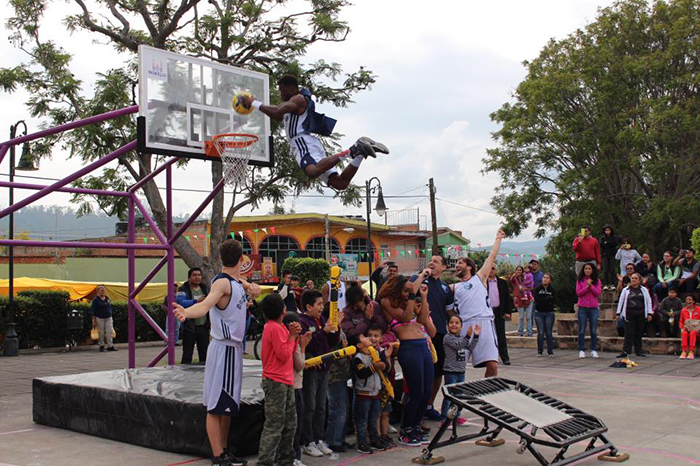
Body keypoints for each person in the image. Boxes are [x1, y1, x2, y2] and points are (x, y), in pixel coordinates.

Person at [172, 239, 262, 466]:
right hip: (224, 348)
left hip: (233, 349)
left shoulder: (234, 282)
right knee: (216, 406)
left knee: (227, 406)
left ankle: (224, 450)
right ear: (242, 259)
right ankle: (218, 456)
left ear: (221, 258)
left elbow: (239, 284)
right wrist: (187, 312)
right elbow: (206, 305)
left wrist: (251, 287)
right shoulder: (222, 284)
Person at [241, 75, 388, 190]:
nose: (280, 93)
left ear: (291, 87)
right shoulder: (290, 104)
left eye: (282, 90)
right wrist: (257, 103)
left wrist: (254, 103)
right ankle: (360, 153)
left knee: (312, 171)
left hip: (302, 142)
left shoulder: (298, 99)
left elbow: (278, 111)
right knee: (340, 183)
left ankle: (353, 150)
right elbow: (277, 112)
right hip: (309, 143)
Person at [379, 272, 435, 447]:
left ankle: (415, 426)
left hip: (422, 347)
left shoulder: (407, 302)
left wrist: (423, 298)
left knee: (426, 392)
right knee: (416, 392)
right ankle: (406, 429)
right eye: (403, 290)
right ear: (396, 288)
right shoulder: (386, 301)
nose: (406, 294)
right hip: (409, 349)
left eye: (407, 291)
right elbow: (404, 317)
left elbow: (422, 319)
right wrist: (411, 295)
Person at [257, 293, 309, 466]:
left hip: (285, 380)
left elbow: (289, 350)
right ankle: (265, 461)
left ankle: (286, 459)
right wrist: (292, 337)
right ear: (283, 310)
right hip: (276, 381)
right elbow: (284, 355)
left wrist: (293, 335)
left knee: (290, 423)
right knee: (275, 423)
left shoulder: (277, 327)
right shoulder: (274, 328)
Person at [452, 229, 506, 378]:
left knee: (493, 364)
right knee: (456, 366)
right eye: (456, 263)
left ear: (469, 267)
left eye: (460, 263)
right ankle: (456, 391)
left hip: (484, 323)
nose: (457, 265)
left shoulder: (480, 278)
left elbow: (492, 256)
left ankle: (488, 390)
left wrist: (498, 238)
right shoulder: (453, 287)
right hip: (464, 326)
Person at [298, 289, 342, 457]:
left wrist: (335, 327)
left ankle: (319, 439)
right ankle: (308, 442)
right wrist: (323, 331)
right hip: (311, 369)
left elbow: (332, 342)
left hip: (325, 368)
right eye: (319, 304)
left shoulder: (322, 319)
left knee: (321, 406)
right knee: (310, 406)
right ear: (309, 306)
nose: (322, 307)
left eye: (322, 303)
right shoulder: (302, 322)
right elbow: (308, 345)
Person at [411, 255, 454, 421]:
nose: (431, 263)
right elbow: (410, 292)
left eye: (436, 261)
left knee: (437, 372)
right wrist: (422, 275)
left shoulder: (445, 288)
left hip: (439, 333)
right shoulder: (419, 279)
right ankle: (417, 408)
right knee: (421, 373)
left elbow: (449, 311)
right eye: (431, 260)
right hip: (420, 333)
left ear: (443, 267)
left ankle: (429, 406)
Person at [350, 332, 391, 454]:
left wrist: (383, 365)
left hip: (376, 393)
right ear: (359, 345)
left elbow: (385, 367)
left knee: (373, 419)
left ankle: (374, 440)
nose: (368, 337)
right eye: (363, 337)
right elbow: (361, 374)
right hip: (364, 394)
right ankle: (362, 442)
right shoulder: (358, 358)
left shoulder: (376, 353)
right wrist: (374, 367)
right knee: (362, 420)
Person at [440, 315, 479, 420]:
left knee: (458, 396)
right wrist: (468, 336)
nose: (454, 325)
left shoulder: (461, 338)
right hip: (450, 371)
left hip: (461, 371)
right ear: (447, 325)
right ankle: (444, 417)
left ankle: (456, 416)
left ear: (461, 326)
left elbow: (470, 347)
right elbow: (458, 346)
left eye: (457, 323)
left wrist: (476, 336)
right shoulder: (447, 337)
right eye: (451, 322)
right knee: (449, 396)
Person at [285, 312, 312, 466]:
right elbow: (300, 365)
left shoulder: (287, 340)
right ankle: (294, 456)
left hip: (293, 386)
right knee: (295, 424)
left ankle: (291, 455)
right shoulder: (293, 343)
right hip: (294, 386)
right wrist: (303, 347)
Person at [324, 328, 352, 453]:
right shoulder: (331, 330)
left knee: (344, 408)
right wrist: (344, 349)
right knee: (338, 408)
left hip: (342, 373)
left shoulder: (339, 329)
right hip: (334, 374)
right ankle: (333, 440)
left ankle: (340, 438)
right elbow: (333, 352)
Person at [616, 273, 653, 359]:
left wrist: (649, 313)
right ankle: (626, 351)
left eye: (636, 278)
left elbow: (648, 301)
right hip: (629, 314)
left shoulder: (644, 290)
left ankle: (638, 350)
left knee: (639, 333)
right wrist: (618, 313)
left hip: (640, 314)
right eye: (632, 278)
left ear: (639, 280)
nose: (634, 280)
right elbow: (621, 301)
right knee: (628, 333)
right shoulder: (626, 290)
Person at [180, 267, 210, 364]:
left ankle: (204, 372)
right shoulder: (183, 289)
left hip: (203, 326)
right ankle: (184, 372)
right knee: (187, 354)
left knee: (205, 353)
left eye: (199, 275)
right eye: (194, 275)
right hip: (189, 326)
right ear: (189, 278)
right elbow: (181, 302)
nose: (197, 277)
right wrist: (195, 301)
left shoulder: (205, 288)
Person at [486, 265, 513, 365]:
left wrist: (508, 312)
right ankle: (488, 357)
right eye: (489, 268)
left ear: (496, 270)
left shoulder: (502, 283)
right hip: (486, 311)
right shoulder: (482, 282)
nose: (491, 270)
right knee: (487, 335)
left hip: (498, 311)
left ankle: (505, 357)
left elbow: (507, 298)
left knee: (500, 335)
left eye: (493, 268)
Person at [576, 263, 601, 359]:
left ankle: (594, 350)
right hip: (582, 307)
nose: (587, 270)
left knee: (593, 330)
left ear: (592, 270)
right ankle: (581, 350)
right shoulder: (580, 280)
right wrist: (587, 287)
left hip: (593, 308)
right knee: (582, 330)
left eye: (589, 268)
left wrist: (591, 286)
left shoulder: (597, 281)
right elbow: (579, 293)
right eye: (586, 268)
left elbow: (597, 293)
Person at [533, 274, 556, 357]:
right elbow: (537, 299)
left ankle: (550, 351)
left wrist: (545, 299)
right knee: (541, 332)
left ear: (550, 280)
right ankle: (540, 351)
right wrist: (547, 298)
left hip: (549, 313)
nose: (545, 279)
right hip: (539, 312)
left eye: (547, 278)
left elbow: (553, 299)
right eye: (544, 277)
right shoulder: (537, 289)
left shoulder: (552, 290)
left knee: (549, 332)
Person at [91, 285, 116, 352]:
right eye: (101, 291)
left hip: (108, 317)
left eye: (104, 290)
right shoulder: (95, 300)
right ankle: (101, 345)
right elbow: (93, 310)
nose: (103, 292)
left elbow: (109, 306)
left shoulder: (107, 298)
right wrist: (93, 320)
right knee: (101, 332)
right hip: (99, 318)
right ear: (98, 292)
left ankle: (110, 346)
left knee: (109, 331)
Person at [510, 266, 534, 338]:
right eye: (517, 270)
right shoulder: (514, 279)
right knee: (521, 317)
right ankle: (520, 332)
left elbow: (531, 287)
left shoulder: (526, 278)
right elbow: (511, 280)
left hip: (528, 298)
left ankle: (529, 333)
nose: (519, 271)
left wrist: (525, 288)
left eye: (520, 270)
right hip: (519, 299)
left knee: (529, 317)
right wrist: (514, 275)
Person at [600, 225, 621, 290]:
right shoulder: (602, 238)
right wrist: (608, 244)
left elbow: (615, 243)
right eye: (606, 230)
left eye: (608, 230)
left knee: (612, 269)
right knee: (606, 270)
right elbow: (602, 244)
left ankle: (612, 284)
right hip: (604, 255)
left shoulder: (614, 237)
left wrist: (607, 243)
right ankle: (606, 284)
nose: (607, 232)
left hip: (612, 255)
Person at [679, 294, 700, 359]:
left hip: (697, 331)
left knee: (693, 332)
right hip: (687, 329)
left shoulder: (699, 309)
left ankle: (691, 352)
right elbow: (681, 321)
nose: (688, 301)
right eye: (687, 299)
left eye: (690, 299)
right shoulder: (683, 310)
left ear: (694, 301)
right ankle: (684, 351)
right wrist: (681, 328)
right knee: (684, 333)